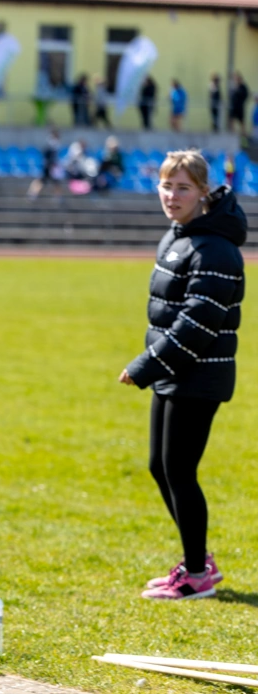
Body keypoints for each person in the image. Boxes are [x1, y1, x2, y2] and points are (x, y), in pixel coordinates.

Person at [119, 150, 245, 600]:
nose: (172, 196)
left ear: (203, 192)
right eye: (167, 186)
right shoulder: (181, 236)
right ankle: (199, 562)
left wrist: (145, 366)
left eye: (183, 188)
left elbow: (198, 323)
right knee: (161, 467)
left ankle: (195, 576)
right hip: (175, 370)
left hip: (198, 376)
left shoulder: (215, 247)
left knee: (180, 471)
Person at [27, 127, 62, 200]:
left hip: (51, 167)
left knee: (54, 182)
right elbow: (47, 156)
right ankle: (33, 193)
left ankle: (58, 196)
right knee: (42, 180)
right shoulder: (51, 145)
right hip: (48, 167)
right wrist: (49, 164)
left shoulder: (54, 145)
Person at [228, 72, 250, 137]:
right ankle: (232, 132)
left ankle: (244, 134)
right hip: (233, 107)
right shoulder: (234, 87)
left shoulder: (243, 87)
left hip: (240, 107)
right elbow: (231, 96)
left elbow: (245, 95)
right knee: (231, 119)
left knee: (241, 121)